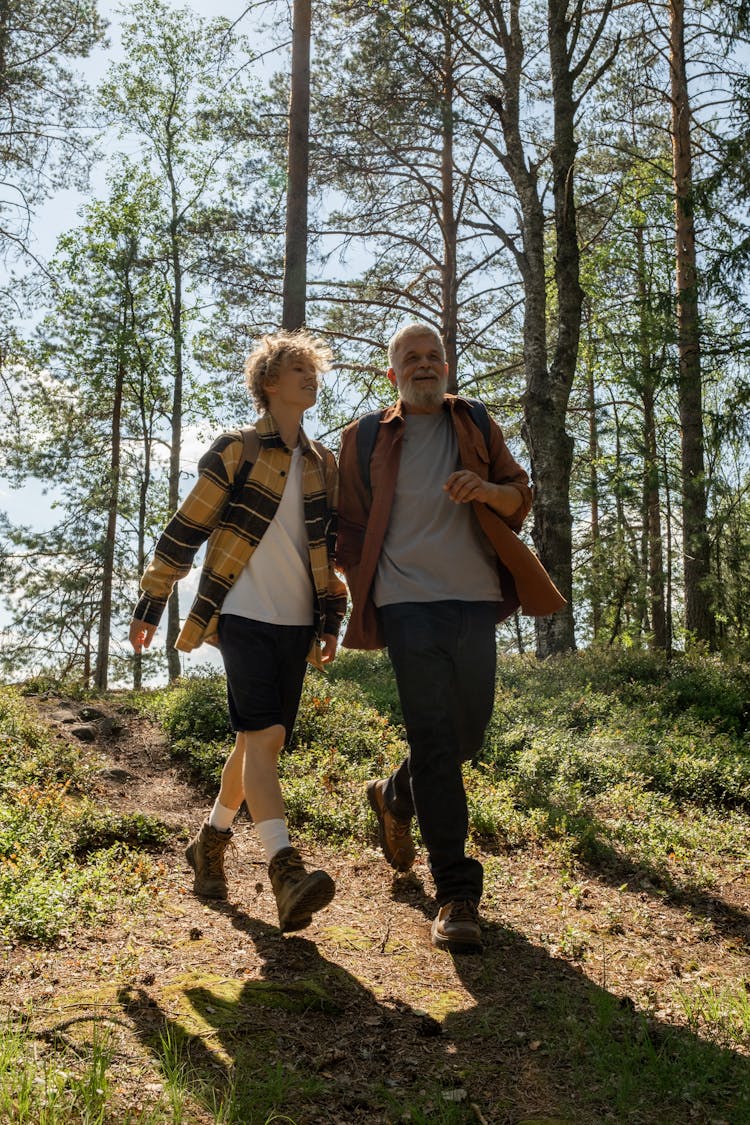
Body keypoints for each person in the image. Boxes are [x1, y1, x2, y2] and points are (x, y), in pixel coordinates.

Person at [336, 323, 565, 954]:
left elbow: (520, 493)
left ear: (447, 366)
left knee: (467, 734)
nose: (424, 364)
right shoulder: (363, 438)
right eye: (411, 358)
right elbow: (347, 523)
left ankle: (394, 792)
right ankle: (456, 893)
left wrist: (485, 489)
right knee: (435, 739)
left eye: (434, 355)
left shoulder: (476, 423)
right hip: (407, 605)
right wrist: (363, 583)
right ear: (393, 374)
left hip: (475, 601)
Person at [129, 330, 347, 934]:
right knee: (266, 734)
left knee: (260, 744)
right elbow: (187, 526)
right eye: (299, 369)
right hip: (242, 616)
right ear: (269, 383)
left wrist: (330, 619)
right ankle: (284, 870)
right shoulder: (238, 449)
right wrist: (153, 598)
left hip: (297, 621)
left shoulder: (323, 463)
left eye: (315, 370)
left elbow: (325, 550)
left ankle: (211, 841)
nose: (312, 378)